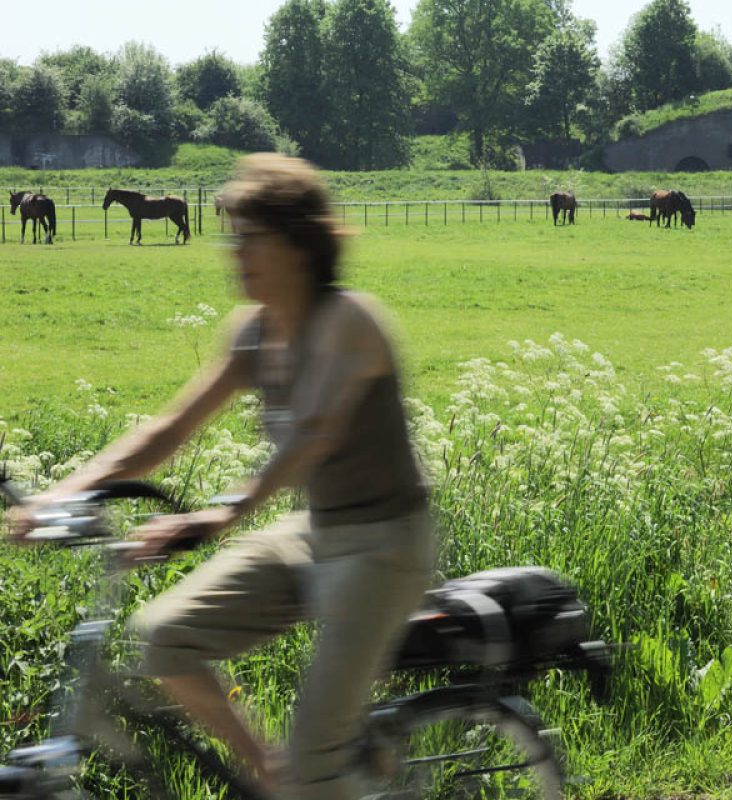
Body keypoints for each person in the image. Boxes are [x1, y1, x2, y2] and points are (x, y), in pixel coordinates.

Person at [7, 153, 435, 799]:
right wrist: (61, 496)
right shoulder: (254, 331)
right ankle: (269, 772)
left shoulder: (351, 319)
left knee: (319, 761)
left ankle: (310, 778)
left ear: (297, 242)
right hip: (314, 530)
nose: (232, 252)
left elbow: (311, 435)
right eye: (229, 235)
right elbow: (170, 429)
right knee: (163, 637)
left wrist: (222, 511)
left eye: (247, 237)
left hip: (384, 543)